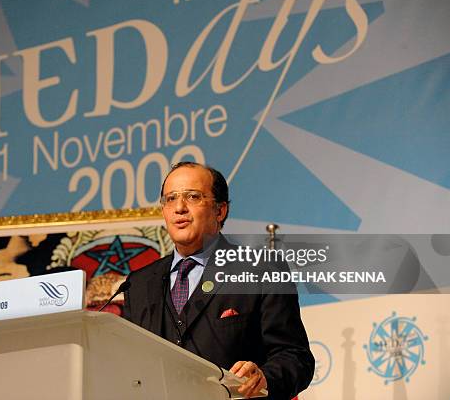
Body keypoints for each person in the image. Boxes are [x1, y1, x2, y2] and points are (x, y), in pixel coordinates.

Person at [122, 162, 314, 399]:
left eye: (192, 197)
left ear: (220, 210)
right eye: (170, 199)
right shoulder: (138, 284)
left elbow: (296, 357)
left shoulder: (261, 269)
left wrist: (264, 377)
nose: (179, 208)